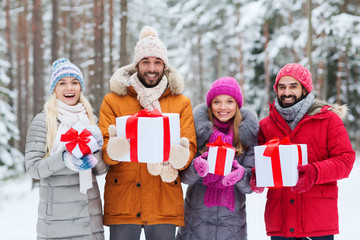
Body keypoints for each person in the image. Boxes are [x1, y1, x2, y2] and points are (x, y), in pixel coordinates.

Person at [98, 26, 197, 240]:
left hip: (163, 199)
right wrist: (111, 149)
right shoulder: (113, 100)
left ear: (164, 66)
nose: (152, 68)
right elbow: (103, 148)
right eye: (146, 62)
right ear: (136, 65)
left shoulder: (180, 102)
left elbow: (189, 145)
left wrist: (182, 155)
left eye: (157, 62)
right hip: (124, 199)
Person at [251, 63, 356, 240]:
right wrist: (257, 176)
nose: (287, 92)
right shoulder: (266, 126)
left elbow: (345, 161)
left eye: (293, 86)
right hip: (280, 223)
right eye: (282, 87)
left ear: (305, 89)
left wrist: (314, 172)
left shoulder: (328, 119)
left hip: (317, 223)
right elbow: (259, 164)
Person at [25, 58, 108, 240]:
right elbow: (33, 168)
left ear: (80, 88)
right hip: (57, 221)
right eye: (62, 83)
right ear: (54, 89)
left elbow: (101, 170)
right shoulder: (43, 121)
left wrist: (95, 151)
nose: (69, 88)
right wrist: (64, 159)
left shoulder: (90, 120)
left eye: (74, 82)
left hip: (89, 218)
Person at [176, 77, 259, 240]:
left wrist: (240, 175)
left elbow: (251, 185)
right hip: (195, 224)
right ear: (210, 104)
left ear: (237, 105)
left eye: (229, 101)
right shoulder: (196, 131)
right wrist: (196, 167)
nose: (223, 107)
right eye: (217, 102)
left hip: (231, 226)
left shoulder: (248, 135)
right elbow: (183, 177)